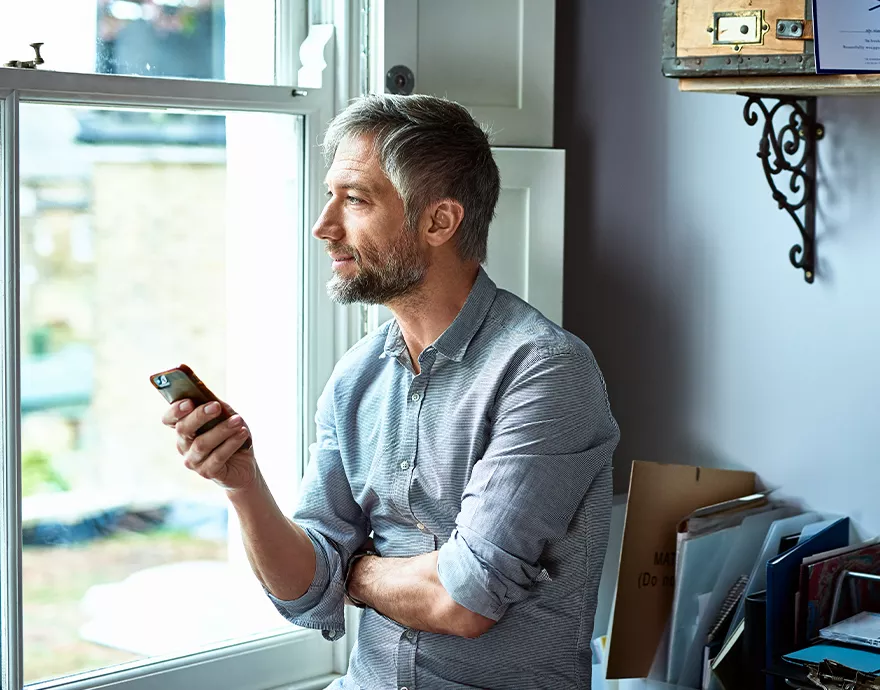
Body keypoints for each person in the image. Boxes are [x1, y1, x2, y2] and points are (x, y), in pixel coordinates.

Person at [162, 94, 620, 689]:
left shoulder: (545, 370)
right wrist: (242, 486)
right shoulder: (357, 377)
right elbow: (307, 594)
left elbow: (464, 600)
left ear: (439, 221)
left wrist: (349, 573)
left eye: (354, 199)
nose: (324, 226)